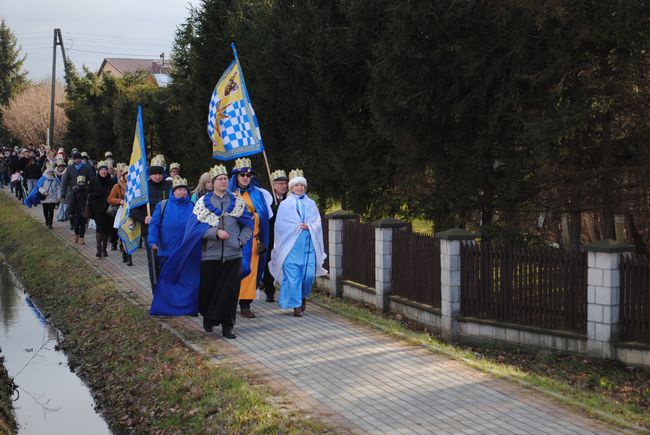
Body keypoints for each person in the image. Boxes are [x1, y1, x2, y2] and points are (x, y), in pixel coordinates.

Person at [150, 164, 253, 340]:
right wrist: (215, 233)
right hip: (209, 255)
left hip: (233, 254)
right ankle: (209, 318)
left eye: (224, 179)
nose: (222, 181)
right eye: (219, 179)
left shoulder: (237, 202)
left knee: (230, 292)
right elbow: (193, 231)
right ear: (212, 183)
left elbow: (248, 225)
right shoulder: (201, 204)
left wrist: (240, 241)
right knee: (209, 290)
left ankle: (228, 326)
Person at [270, 170, 327, 317]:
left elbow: (317, 222)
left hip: (308, 245)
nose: (300, 188)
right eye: (297, 185)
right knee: (294, 277)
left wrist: (310, 226)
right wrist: (295, 227)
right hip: (291, 247)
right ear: (291, 187)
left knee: (308, 276)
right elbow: (280, 225)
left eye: (302, 185)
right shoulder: (285, 205)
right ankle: (296, 305)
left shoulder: (311, 203)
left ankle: (302, 296)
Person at [228, 158, 273, 319]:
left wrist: (255, 216)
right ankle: (229, 301)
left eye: (248, 175)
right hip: (232, 241)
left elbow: (264, 216)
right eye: (242, 174)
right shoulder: (228, 194)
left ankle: (245, 305)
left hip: (252, 240)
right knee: (233, 270)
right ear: (236, 176)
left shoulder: (257, 195)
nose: (245, 177)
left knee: (250, 271)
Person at [130, 154, 173, 292]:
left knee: (168, 261)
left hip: (168, 230)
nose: (158, 177)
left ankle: (168, 291)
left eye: (160, 174)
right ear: (150, 175)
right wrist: (143, 219)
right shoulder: (143, 188)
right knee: (154, 262)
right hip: (149, 231)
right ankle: (156, 292)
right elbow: (133, 210)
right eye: (154, 174)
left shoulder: (169, 185)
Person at [148, 177, 194, 272]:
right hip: (167, 250)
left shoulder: (193, 205)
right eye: (180, 189)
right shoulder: (162, 205)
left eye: (185, 189)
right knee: (167, 278)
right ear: (173, 191)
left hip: (186, 251)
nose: (183, 192)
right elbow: (154, 224)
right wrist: (153, 240)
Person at [262, 169, 289, 302]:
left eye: (285, 183)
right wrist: (275, 211)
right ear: (273, 185)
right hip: (271, 235)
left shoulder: (290, 198)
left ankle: (286, 290)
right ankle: (269, 290)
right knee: (269, 261)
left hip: (286, 236)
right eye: (279, 183)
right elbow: (264, 216)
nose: (283, 186)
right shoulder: (268, 199)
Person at [87, 160, 116, 258]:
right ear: (98, 171)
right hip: (97, 208)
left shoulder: (112, 181)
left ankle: (104, 249)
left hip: (109, 209)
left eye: (105, 170)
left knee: (106, 229)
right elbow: (89, 194)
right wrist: (96, 194)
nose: (104, 171)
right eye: (102, 170)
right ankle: (98, 249)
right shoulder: (94, 180)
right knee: (100, 229)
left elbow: (115, 193)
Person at [61, 151, 95, 230]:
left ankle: (82, 223)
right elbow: (65, 181)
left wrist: (91, 190)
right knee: (72, 207)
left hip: (84, 191)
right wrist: (63, 193)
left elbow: (92, 180)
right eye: (75, 159)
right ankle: (72, 223)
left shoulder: (86, 168)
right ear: (73, 159)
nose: (77, 160)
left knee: (83, 207)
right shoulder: (69, 168)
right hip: (73, 191)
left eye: (79, 159)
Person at [107, 163, 132, 265]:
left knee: (131, 234)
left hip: (133, 211)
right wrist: (120, 201)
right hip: (122, 212)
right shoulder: (117, 186)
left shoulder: (135, 185)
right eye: (126, 174)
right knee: (123, 233)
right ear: (123, 175)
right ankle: (125, 253)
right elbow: (110, 199)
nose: (128, 176)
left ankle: (129, 255)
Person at [23, 162, 62, 228]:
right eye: (49, 172)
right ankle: (47, 220)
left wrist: (58, 196)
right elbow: (38, 187)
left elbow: (58, 188)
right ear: (46, 172)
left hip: (53, 197)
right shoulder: (43, 179)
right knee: (45, 211)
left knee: (51, 211)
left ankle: (50, 223)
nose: (50, 173)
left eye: (52, 172)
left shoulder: (56, 179)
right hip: (45, 197)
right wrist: (44, 192)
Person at [69, 175, 89, 245]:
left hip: (84, 211)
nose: (81, 184)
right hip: (76, 211)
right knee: (76, 225)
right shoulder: (75, 191)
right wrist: (71, 212)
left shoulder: (86, 190)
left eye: (82, 182)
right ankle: (76, 236)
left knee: (83, 225)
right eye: (80, 182)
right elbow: (72, 202)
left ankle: (82, 238)